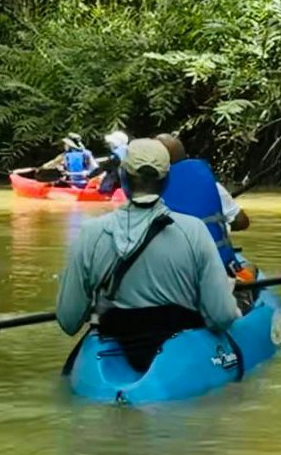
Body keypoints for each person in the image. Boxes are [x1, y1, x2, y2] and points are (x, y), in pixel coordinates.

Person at [54, 137, 239, 372]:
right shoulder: (194, 231)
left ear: (122, 178)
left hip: (116, 342)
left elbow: (69, 321)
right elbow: (221, 316)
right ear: (167, 181)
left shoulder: (90, 234)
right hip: (180, 354)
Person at [156, 132, 248, 271]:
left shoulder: (147, 189)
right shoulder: (211, 185)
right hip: (215, 267)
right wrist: (222, 225)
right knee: (250, 268)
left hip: (171, 270)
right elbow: (242, 221)